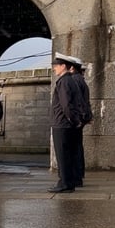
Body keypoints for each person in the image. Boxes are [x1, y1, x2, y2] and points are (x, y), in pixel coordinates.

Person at [48, 52, 87, 193]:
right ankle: (69, 182)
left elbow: (66, 105)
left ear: (63, 66)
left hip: (62, 124)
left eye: (56, 66)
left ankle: (64, 183)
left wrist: (72, 119)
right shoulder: (71, 80)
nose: (54, 68)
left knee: (62, 154)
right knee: (69, 154)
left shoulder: (64, 81)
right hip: (67, 124)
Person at [69, 57, 92, 187]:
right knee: (77, 147)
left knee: (73, 148)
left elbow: (75, 102)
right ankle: (78, 175)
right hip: (80, 118)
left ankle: (76, 176)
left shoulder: (74, 80)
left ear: (72, 68)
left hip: (75, 119)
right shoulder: (80, 80)